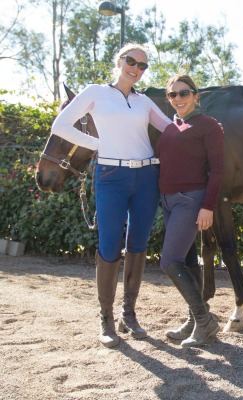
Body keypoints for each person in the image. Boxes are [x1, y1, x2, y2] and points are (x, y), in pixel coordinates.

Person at [51, 43, 172, 347]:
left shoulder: (144, 101)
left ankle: (128, 314)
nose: (136, 68)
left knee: (138, 244)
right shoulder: (95, 92)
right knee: (108, 246)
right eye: (131, 61)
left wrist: (204, 131)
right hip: (110, 176)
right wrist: (96, 144)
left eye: (143, 66)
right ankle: (106, 318)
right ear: (119, 61)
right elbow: (60, 125)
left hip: (146, 176)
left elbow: (171, 130)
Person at [156, 74, 224, 347]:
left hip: (190, 200)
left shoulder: (209, 126)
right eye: (172, 95)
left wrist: (207, 206)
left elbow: (218, 170)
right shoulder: (172, 126)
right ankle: (195, 320)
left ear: (196, 96)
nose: (178, 99)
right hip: (169, 201)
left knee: (169, 262)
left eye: (184, 93)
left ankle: (204, 320)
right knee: (186, 261)